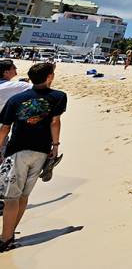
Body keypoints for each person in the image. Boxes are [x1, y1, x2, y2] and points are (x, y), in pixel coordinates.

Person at [0, 62, 67, 252]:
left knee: (11, 197)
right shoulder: (59, 96)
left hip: (17, 150)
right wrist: (55, 146)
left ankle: (5, 238)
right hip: (41, 151)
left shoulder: (16, 99)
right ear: (49, 77)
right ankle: (9, 234)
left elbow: (5, 128)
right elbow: (55, 122)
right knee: (23, 195)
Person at [0, 61, 31, 156]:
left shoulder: (10, 86)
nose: (16, 69)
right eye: (14, 68)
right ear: (5, 72)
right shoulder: (15, 86)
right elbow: (40, 87)